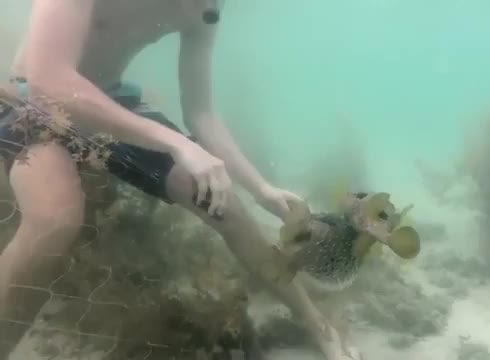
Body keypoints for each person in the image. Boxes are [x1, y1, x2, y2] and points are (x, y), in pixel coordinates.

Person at [0, 1, 361, 359]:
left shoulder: (204, 11)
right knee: (53, 219)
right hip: (31, 101)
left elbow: (201, 113)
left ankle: (316, 322)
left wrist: (260, 187)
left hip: (110, 99)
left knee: (227, 207)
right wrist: (173, 143)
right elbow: (46, 78)